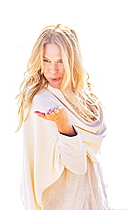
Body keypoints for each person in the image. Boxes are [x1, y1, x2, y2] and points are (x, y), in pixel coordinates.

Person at [17, 25, 108, 209]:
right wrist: (64, 126)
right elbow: (77, 166)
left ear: (72, 60)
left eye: (60, 61)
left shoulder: (87, 99)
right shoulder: (42, 102)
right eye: (46, 60)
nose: (53, 70)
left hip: (94, 200)